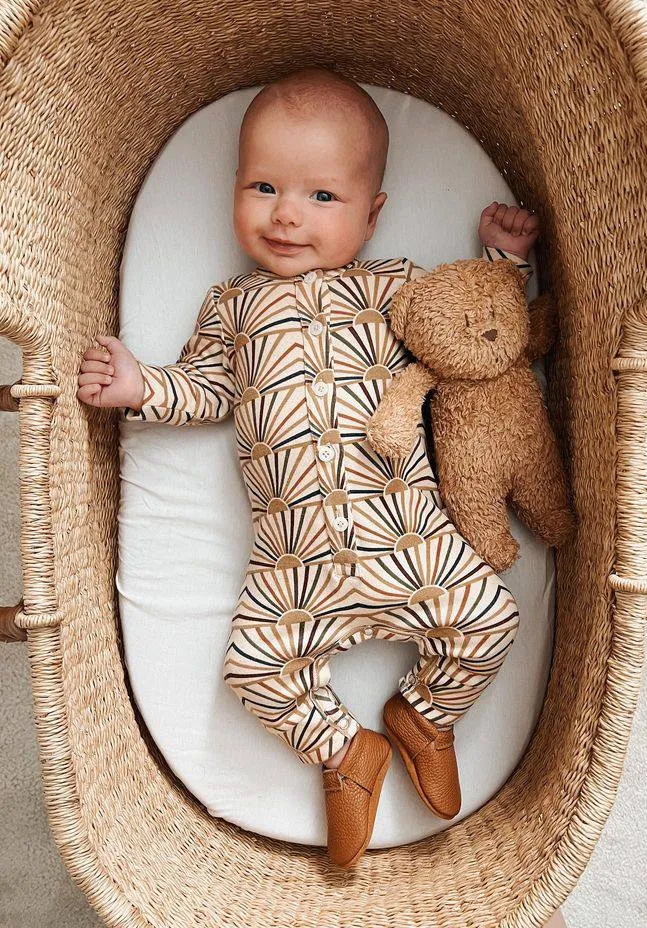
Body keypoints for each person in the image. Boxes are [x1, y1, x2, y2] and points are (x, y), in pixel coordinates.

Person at [77, 66, 540, 868]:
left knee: (492, 620)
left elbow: (468, 328)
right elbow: (207, 390)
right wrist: (140, 384)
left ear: (372, 214)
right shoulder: (232, 307)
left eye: (322, 197)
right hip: (293, 560)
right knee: (254, 666)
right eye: (263, 186)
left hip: (405, 535)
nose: (287, 214)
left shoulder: (392, 290)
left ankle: (425, 715)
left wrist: (502, 262)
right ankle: (344, 751)